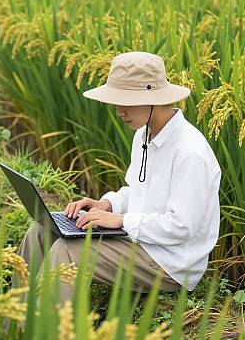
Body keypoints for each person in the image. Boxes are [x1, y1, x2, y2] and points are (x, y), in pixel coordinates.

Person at [15, 51, 221, 305]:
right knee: (41, 231)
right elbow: (136, 189)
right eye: (117, 101)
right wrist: (108, 205)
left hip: (170, 262)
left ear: (153, 99)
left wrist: (121, 220)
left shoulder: (190, 153)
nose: (119, 111)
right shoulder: (144, 135)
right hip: (139, 241)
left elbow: (182, 226)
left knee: (67, 250)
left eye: (127, 101)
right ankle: (11, 326)